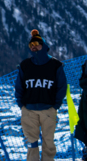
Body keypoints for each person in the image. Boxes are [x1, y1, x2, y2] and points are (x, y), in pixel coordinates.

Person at [15, 29, 67, 161]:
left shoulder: (55, 65)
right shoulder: (25, 65)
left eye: (36, 44)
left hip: (48, 109)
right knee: (32, 143)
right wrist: (22, 105)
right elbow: (19, 86)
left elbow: (62, 86)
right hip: (29, 110)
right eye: (31, 46)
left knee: (48, 142)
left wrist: (55, 106)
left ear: (43, 45)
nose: (34, 47)